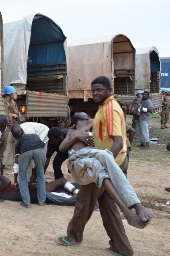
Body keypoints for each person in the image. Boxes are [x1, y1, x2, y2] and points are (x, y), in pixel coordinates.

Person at [56, 76, 153, 255]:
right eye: (93, 90)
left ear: (109, 89)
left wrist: (105, 166)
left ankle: (73, 235)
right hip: (111, 161)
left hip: (109, 161)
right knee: (108, 206)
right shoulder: (104, 108)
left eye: (99, 90)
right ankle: (121, 245)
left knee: (83, 203)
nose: (95, 93)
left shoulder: (110, 108)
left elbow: (117, 141)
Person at [59, 112, 152, 229]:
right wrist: (77, 136)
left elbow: (94, 120)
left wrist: (86, 128)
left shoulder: (91, 129)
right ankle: (128, 212)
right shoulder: (72, 132)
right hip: (77, 159)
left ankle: (135, 205)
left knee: (105, 158)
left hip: (92, 156)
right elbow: (61, 148)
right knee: (100, 162)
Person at [0, 171, 78, 205]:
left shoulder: (3, 189)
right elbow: (7, 182)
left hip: (30, 189)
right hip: (33, 191)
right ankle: (77, 192)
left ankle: (76, 191)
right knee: (61, 181)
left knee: (61, 182)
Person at [13, 132, 46, 208]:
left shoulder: (19, 142)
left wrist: (15, 179)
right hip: (40, 149)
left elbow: (16, 162)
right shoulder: (36, 136)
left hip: (25, 151)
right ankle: (42, 201)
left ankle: (27, 203)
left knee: (22, 175)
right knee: (41, 175)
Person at [0, 85, 20, 170]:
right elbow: (1, 114)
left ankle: (12, 162)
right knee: (5, 144)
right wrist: (11, 115)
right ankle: (2, 163)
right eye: (13, 93)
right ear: (9, 94)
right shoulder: (2, 102)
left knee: (15, 145)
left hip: (13, 125)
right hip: (5, 126)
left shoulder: (12, 102)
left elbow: (16, 111)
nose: (15, 94)